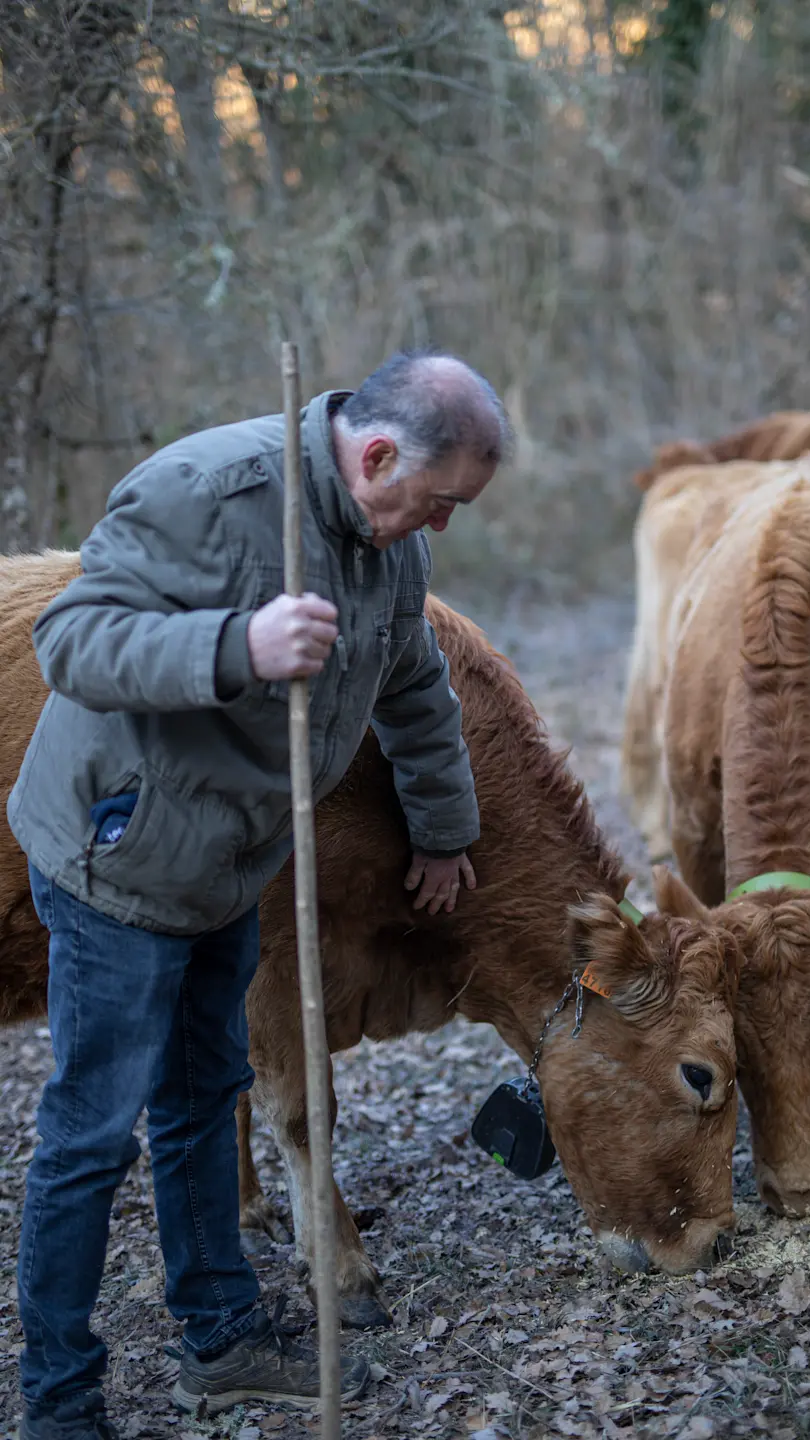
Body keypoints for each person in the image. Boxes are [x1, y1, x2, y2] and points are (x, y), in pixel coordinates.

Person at [7, 349, 511, 1440]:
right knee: (93, 1133)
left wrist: (444, 832)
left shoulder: (388, 548)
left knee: (204, 1102)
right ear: (378, 456)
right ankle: (56, 1396)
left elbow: (414, 684)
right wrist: (239, 644)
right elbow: (72, 641)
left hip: (233, 866)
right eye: (441, 502)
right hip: (120, 854)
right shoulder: (207, 490)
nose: (443, 529)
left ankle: (222, 1342)